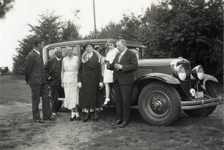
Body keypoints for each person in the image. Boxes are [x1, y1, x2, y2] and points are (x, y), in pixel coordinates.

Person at [107, 39, 138, 128]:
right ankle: (119, 118)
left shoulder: (131, 54)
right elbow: (114, 65)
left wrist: (122, 67)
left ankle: (126, 120)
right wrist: (109, 65)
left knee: (125, 101)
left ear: (124, 45)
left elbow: (135, 66)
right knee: (118, 101)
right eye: (117, 46)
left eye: (118, 46)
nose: (117, 48)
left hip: (126, 81)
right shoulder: (117, 55)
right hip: (117, 80)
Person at [24, 39, 55, 123]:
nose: (43, 46)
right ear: (38, 45)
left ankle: (47, 115)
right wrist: (29, 80)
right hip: (35, 82)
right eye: (42, 44)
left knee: (46, 98)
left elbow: (41, 69)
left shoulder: (39, 54)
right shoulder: (31, 55)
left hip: (43, 81)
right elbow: (27, 70)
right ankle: (36, 118)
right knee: (36, 100)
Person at [78, 42, 104, 122]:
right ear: (85, 49)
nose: (89, 48)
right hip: (85, 80)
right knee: (86, 97)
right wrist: (79, 81)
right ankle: (87, 113)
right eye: (87, 47)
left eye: (90, 47)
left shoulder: (97, 57)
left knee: (95, 96)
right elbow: (80, 70)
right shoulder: (83, 57)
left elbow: (100, 70)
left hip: (95, 79)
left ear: (92, 48)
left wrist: (100, 81)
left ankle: (96, 113)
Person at [61, 46, 80, 121]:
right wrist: (62, 81)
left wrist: (79, 80)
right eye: (67, 50)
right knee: (69, 96)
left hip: (75, 78)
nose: (68, 51)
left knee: (75, 96)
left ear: (72, 50)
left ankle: (77, 113)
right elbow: (62, 70)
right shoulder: (64, 59)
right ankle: (72, 113)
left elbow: (79, 70)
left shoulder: (77, 58)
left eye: (70, 50)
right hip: (67, 79)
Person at [45, 47, 62, 116]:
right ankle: (54, 111)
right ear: (55, 53)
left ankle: (57, 109)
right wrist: (49, 77)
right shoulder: (50, 61)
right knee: (54, 97)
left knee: (61, 96)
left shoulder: (63, 60)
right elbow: (44, 69)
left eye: (61, 52)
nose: (60, 53)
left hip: (62, 81)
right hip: (53, 81)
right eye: (59, 52)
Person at [103, 39, 119, 106]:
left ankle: (113, 98)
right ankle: (107, 98)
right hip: (107, 68)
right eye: (109, 45)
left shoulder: (116, 50)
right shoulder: (109, 51)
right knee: (106, 83)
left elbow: (116, 59)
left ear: (114, 45)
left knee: (112, 83)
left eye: (111, 45)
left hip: (112, 69)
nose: (110, 46)